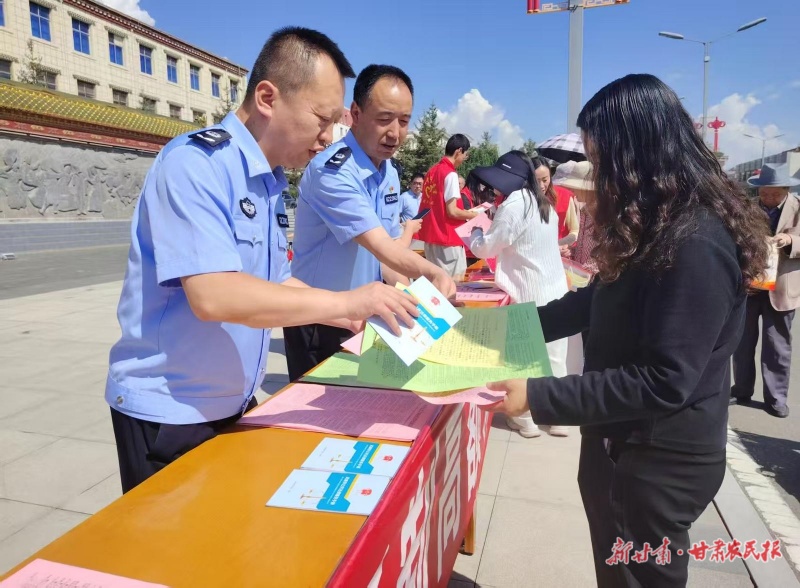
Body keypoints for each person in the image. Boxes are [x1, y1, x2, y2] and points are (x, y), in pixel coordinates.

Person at [483, 74, 769, 587]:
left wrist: (537, 396)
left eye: (603, 159)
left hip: (654, 462)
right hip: (626, 445)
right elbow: (599, 300)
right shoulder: (658, 224)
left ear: (637, 155)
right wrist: (507, 327)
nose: (600, 174)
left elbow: (665, 378)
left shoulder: (695, 243)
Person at [105, 29, 420, 493]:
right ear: (269, 97)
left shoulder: (266, 182)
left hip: (230, 403)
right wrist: (346, 304)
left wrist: (354, 307)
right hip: (170, 411)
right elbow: (214, 295)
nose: (328, 136)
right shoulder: (196, 165)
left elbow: (276, 280)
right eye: (321, 118)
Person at [286, 65, 456, 381]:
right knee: (322, 423)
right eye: (384, 119)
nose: (395, 132)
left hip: (366, 315)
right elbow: (380, 245)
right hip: (321, 319)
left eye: (404, 121)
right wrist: (432, 272)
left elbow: (387, 257)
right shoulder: (332, 172)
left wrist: (419, 294)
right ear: (356, 114)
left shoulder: (389, 172)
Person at [468, 152, 570, 439]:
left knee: (524, 360)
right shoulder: (543, 202)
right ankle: (558, 416)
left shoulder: (514, 204)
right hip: (554, 289)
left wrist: (476, 232)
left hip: (527, 293)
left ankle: (525, 419)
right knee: (554, 359)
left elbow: (488, 247)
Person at [731, 163, 800, 418]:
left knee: (777, 346)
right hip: (751, 285)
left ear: (785, 189)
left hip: (781, 288)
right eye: (764, 193)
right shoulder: (748, 208)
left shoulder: (798, 207)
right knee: (742, 342)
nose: (768, 197)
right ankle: (741, 388)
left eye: (774, 193)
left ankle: (776, 399)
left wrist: (790, 240)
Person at [418, 134, 478, 277]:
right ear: (459, 151)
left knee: (435, 283)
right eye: (465, 155)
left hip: (431, 237)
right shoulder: (450, 174)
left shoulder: (432, 171)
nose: (464, 159)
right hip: (447, 237)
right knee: (452, 285)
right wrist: (475, 215)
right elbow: (452, 211)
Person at [556, 161, 598, 273]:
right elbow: (582, 247)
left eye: (575, 187)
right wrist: (571, 250)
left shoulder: (605, 216)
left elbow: (608, 257)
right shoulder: (584, 211)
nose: (572, 191)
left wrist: (586, 271)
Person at [541, 160, 580, 256]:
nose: (541, 186)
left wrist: (563, 244)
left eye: (544, 180)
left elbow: (574, 230)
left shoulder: (565, 196)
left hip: (560, 259)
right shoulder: (524, 197)